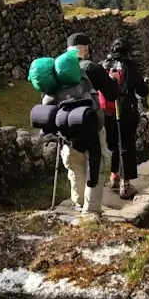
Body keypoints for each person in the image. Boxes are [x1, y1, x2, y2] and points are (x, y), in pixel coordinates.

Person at [42, 33, 119, 219]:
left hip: (66, 128)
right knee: (96, 165)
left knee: (75, 166)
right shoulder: (91, 68)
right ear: (85, 48)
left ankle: (78, 203)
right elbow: (112, 94)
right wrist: (115, 80)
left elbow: (47, 99)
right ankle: (91, 211)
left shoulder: (57, 70)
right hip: (91, 124)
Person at [102, 37, 149, 200]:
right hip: (126, 111)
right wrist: (147, 84)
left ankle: (114, 177)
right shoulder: (130, 66)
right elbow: (142, 91)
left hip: (108, 112)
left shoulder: (104, 65)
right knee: (127, 146)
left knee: (113, 144)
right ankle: (126, 184)